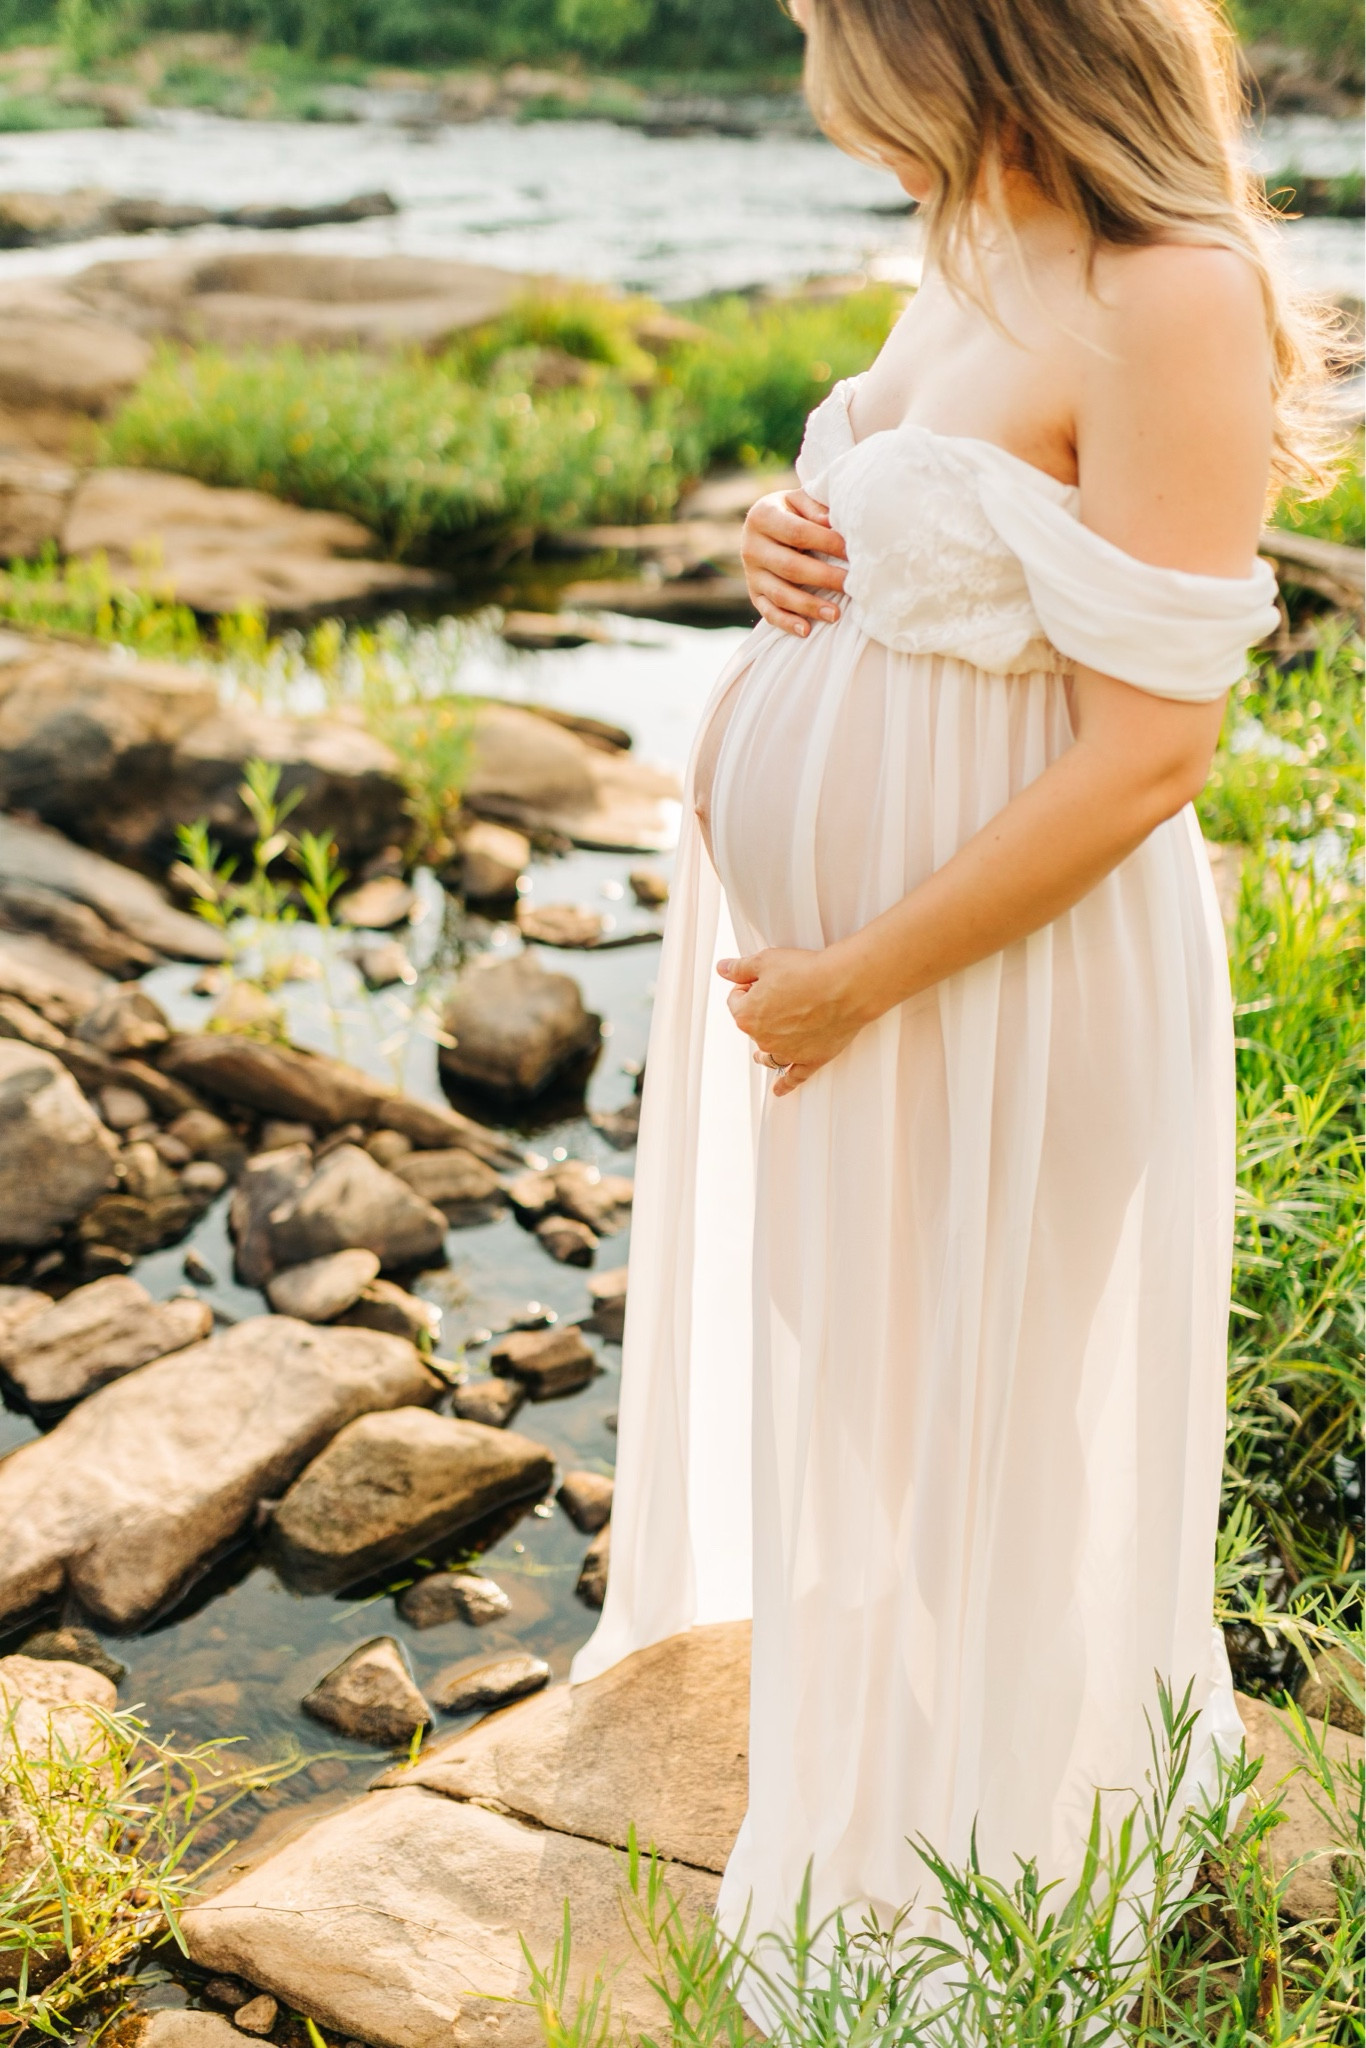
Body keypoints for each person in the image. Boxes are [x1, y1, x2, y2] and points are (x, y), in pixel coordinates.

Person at [571, 0, 1329, 1991]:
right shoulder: (965, 249)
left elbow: (1152, 750)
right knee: (882, 1397)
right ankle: (912, 1775)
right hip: (867, 982)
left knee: (983, 1411)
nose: (808, 43)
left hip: (999, 974)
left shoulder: (1165, 292)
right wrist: (782, 533)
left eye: (830, 17)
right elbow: (936, 547)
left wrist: (847, 977)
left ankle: (981, 1879)